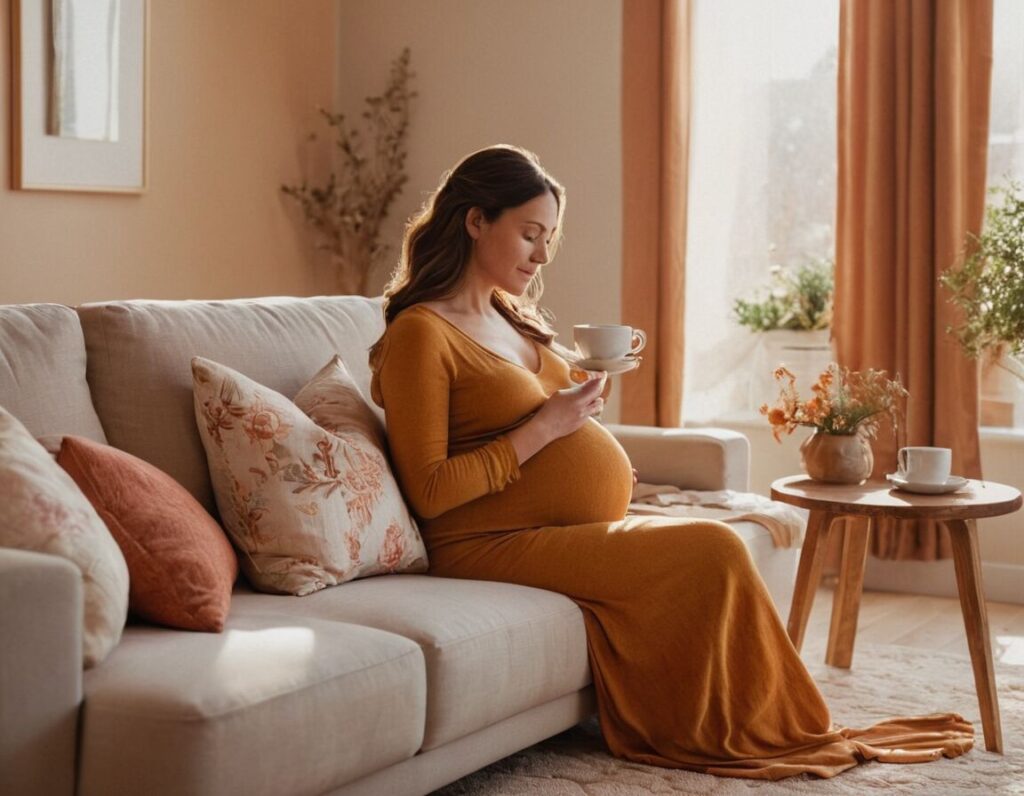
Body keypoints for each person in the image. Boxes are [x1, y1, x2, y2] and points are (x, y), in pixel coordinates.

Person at [368, 144, 972, 780]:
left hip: (553, 527)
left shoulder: (506, 316)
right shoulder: (421, 334)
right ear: (474, 221)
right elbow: (429, 491)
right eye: (529, 235)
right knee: (713, 550)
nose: (543, 255)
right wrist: (549, 428)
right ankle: (754, 728)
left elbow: (535, 422)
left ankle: (788, 719)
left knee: (719, 547)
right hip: (480, 542)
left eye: (549, 238)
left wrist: (579, 409)